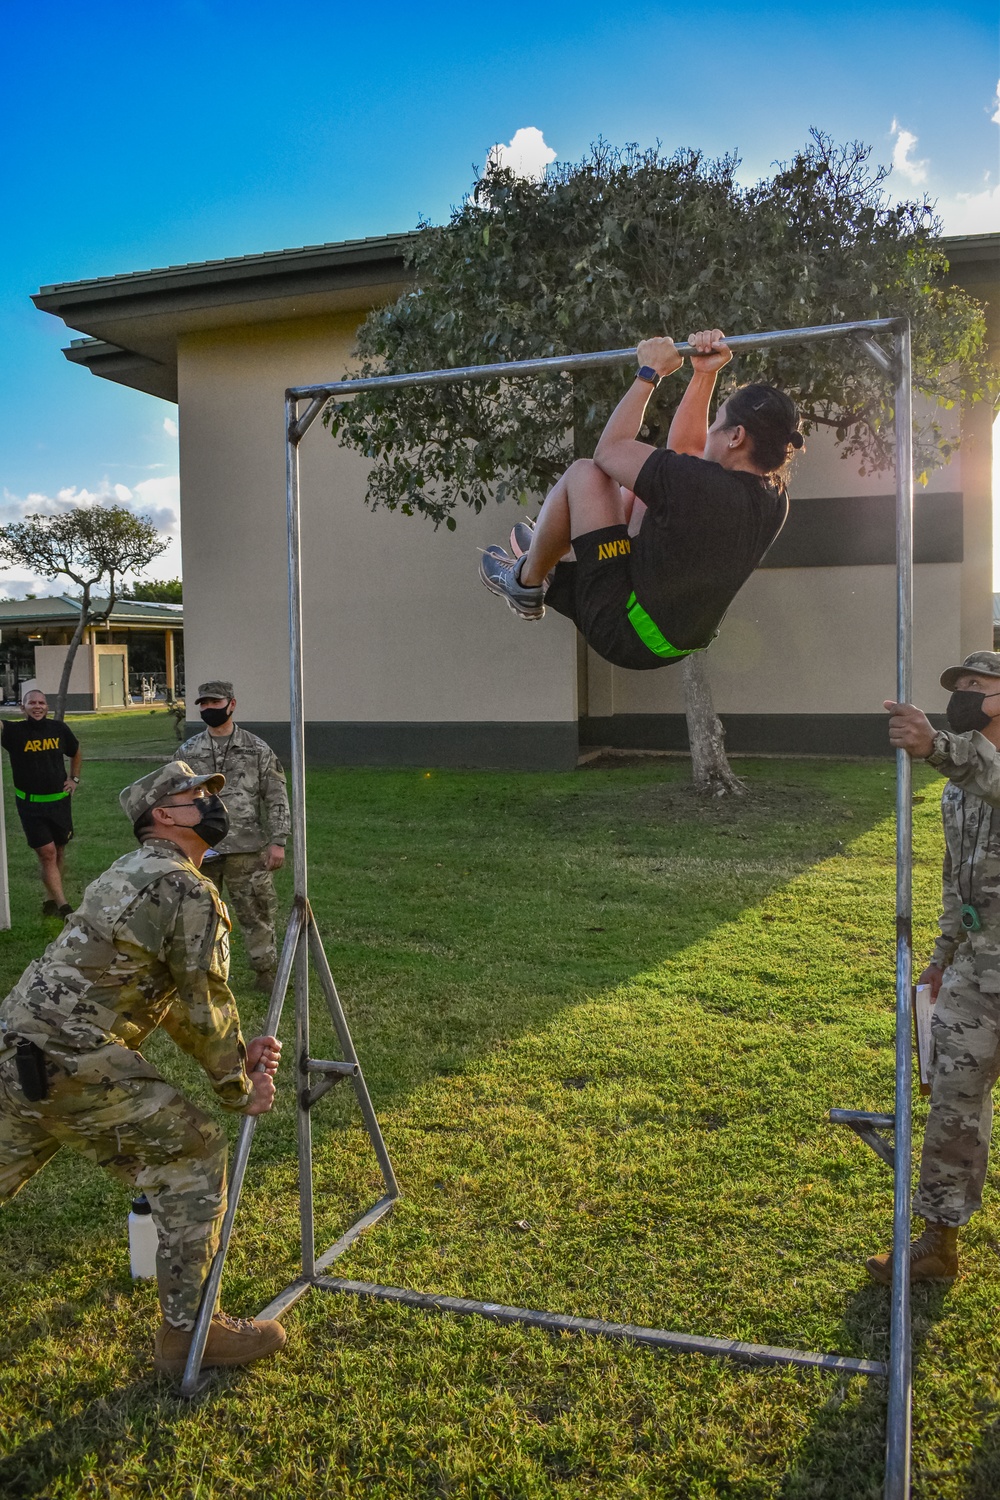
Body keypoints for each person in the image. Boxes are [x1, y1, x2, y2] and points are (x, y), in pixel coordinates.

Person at [0, 760, 287, 1375]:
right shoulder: (185, 886)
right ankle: (191, 1336)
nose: (213, 804)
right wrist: (240, 1089)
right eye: (197, 797)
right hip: (72, 1056)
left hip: (18, 1045)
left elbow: (176, 1003)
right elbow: (203, 999)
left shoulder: (133, 871)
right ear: (163, 815)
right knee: (193, 1156)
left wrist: (235, 1059)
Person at [479, 330, 802, 669]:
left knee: (585, 473)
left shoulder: (702, 487)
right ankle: (558, 556)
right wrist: (705, 374)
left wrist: (650, 373)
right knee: (637, 488)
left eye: (716, 423)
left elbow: (609, 451)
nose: (709, 432)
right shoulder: (773, 496)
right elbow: (687, 451)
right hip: (672, 635)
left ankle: (527, 582)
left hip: (627, 631)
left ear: (736, 437)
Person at [867, 651, 1000, 1284]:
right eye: (960, 688)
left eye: (979, 687)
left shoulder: (969, 765)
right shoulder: (956, 791)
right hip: (976, 973)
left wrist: (936, 745)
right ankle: (939, 1244)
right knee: (953, 1106)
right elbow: (958, 884)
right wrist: (942, 959)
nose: (966, 696)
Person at [179, 681, 290, 994]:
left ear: (232, 704)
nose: (208, 709)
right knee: (197, 914)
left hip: (246, 847)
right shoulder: (188, 752)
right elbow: (170, 797)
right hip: (201, 848)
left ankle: (265, 973)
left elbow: (276, 795)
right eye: (203, 704)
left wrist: (278, 840)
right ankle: (200, 975)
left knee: (256, 911)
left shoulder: (256, 749)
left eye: (215, 703)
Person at [1, 688, 82, 917]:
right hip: (30, 805)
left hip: (59, 803)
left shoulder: (58, 729)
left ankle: (50, 900)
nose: (37, 706)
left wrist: (74, 779)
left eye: (41, 703)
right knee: (47, 853)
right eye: (32, 703)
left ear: (47, 706)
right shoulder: (14, 731)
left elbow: (75, 751)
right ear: (22, 707)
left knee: (59, 850)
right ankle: (65, 907)